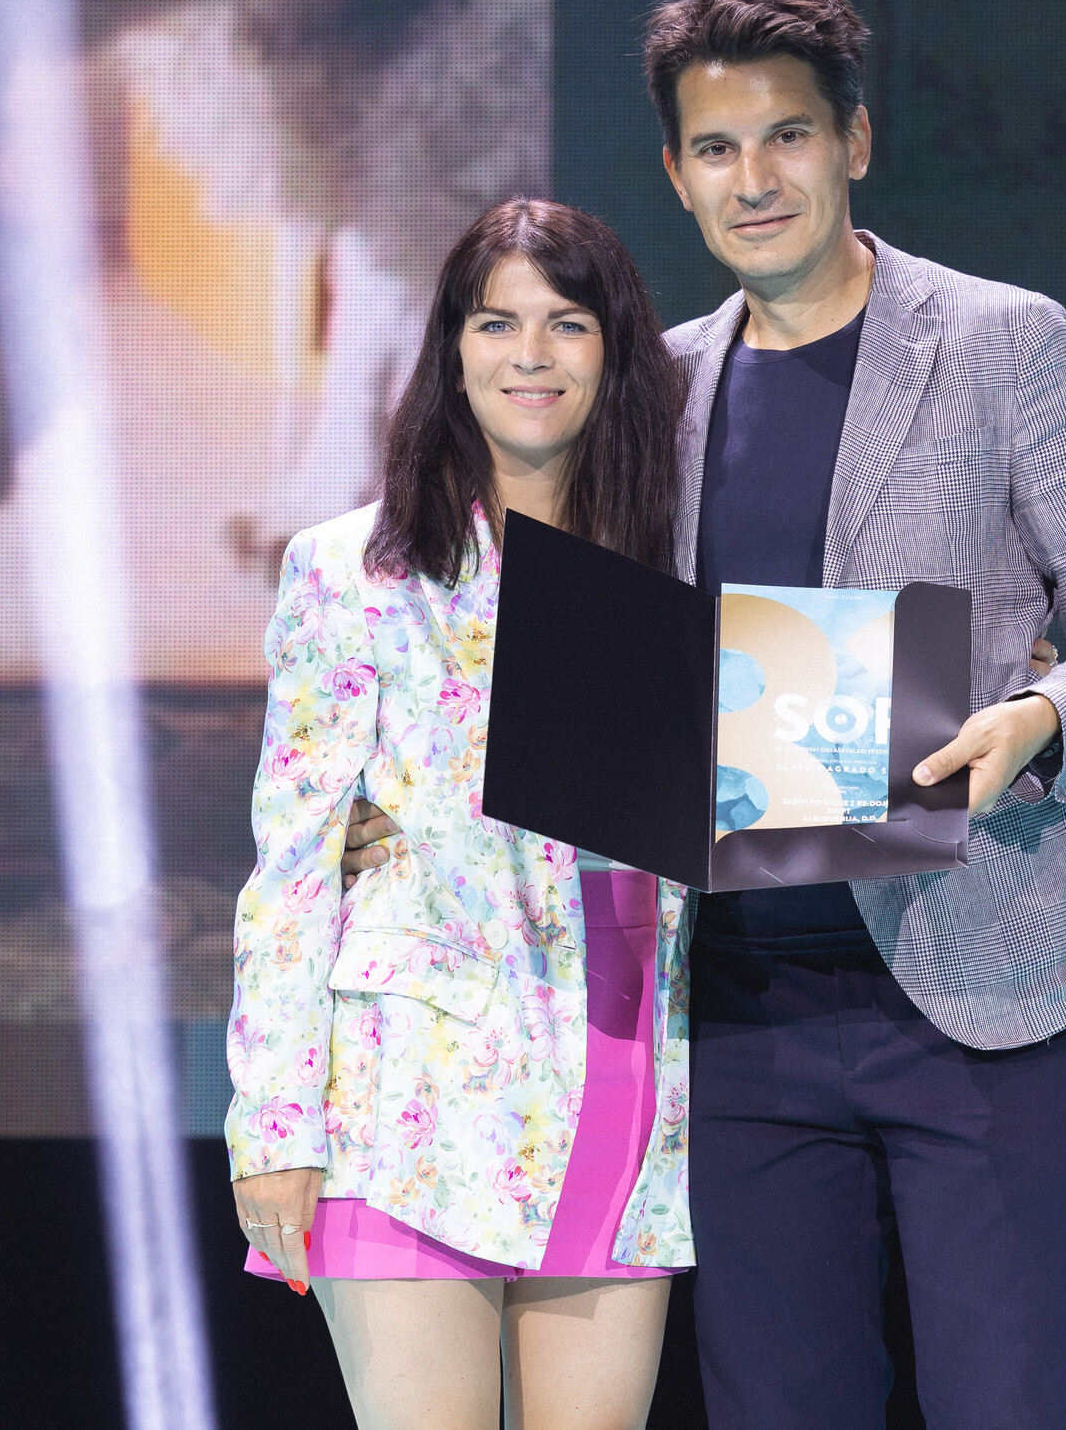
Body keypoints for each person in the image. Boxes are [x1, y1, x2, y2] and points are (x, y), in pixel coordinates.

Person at [348, 0, 1066, 1428]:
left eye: (788, 137)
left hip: (981, 977)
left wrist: (1047, 717)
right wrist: (410, 802)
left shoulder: (1002, 339)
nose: (756, 179)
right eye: (718, 149)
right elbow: (563, 645)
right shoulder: (658, 387)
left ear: (853, 141)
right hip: (737, 1014)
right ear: (677, 175)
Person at [225, 198, 695, 1430]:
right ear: (450, 348)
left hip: (619, 1076)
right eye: (496, 322)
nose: (530, 354)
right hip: (409, 1098)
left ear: (615, 349)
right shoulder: (352, 571)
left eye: (566, 322)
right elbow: (292, 867)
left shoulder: (672, 570)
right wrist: (273, 1122)